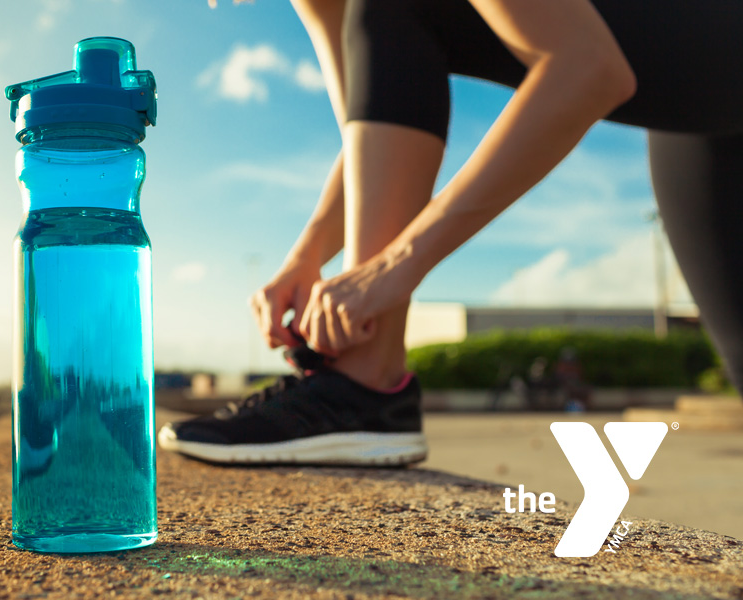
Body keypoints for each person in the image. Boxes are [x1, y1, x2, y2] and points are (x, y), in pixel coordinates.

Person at [159, 0, 743, 465]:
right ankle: (364, 385)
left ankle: (366, 383)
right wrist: (308, 255)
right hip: (693, 114)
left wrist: (396, 266)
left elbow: (587, 68)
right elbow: (374, 141)